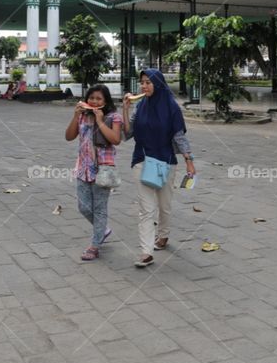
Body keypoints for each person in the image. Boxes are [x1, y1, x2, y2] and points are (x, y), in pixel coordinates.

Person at [122, 68, 196, 267]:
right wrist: (126, 109)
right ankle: (146, 252)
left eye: (148, 82)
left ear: (159, 84)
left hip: (165, 161)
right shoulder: (140, 106)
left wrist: (189, 159)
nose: (144, 86)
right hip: (142, 160)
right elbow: (125, 135)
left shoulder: (171, 107)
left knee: (164, 205)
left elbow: (179, 135)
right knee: (146, 209)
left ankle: (163, 235)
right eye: (142, 82)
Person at [66, 84, 123, 261]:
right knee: (83, 207)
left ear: (105, 101)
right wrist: (76, 115)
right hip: (83, 167)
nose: (94, 101)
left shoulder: (113, 117)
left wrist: (99, 120)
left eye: (99, 99)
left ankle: (94, 245)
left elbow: (115, 139)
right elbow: (69, 136)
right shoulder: (83, 116)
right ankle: (103, 230)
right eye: (91, 98)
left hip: (103, 169)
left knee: (99, 209)